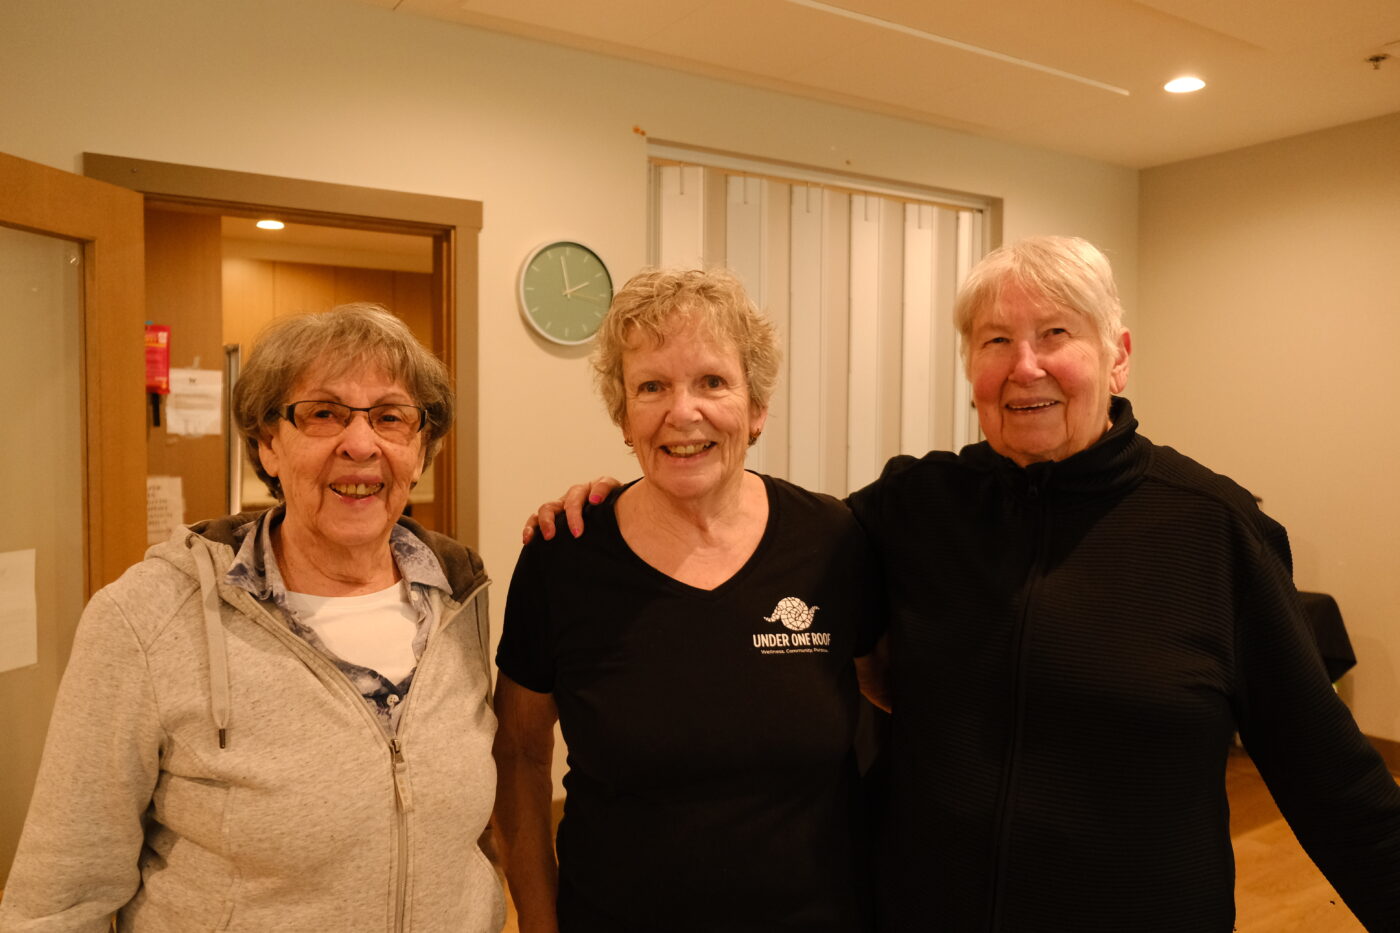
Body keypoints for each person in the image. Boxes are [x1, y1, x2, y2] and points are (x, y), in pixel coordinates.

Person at [526, 237, 1400, 931]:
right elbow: (746, 545)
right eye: (995, 341)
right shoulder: (910, 509)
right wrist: (604, 501)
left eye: (1057, 334)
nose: (1026, 365)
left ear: (1118, 356)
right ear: (971, 368)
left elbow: (1329, 776)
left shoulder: (1210, 528)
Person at [0, 304, 504, 932]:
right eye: (323, 413)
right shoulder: (148, 617)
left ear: (420, 448)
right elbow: (60, 899)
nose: (360, 443)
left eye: (390, 417)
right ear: (268, 444)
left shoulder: (459, 600)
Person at [492, 268, 882, 933]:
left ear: (756, 408)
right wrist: (537, 918)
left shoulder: (832, 540)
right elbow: (519, 751)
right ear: (623, 415)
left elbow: (896, 696)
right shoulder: (564, 556)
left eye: (712, 381)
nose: (683, 412)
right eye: (652, 386)